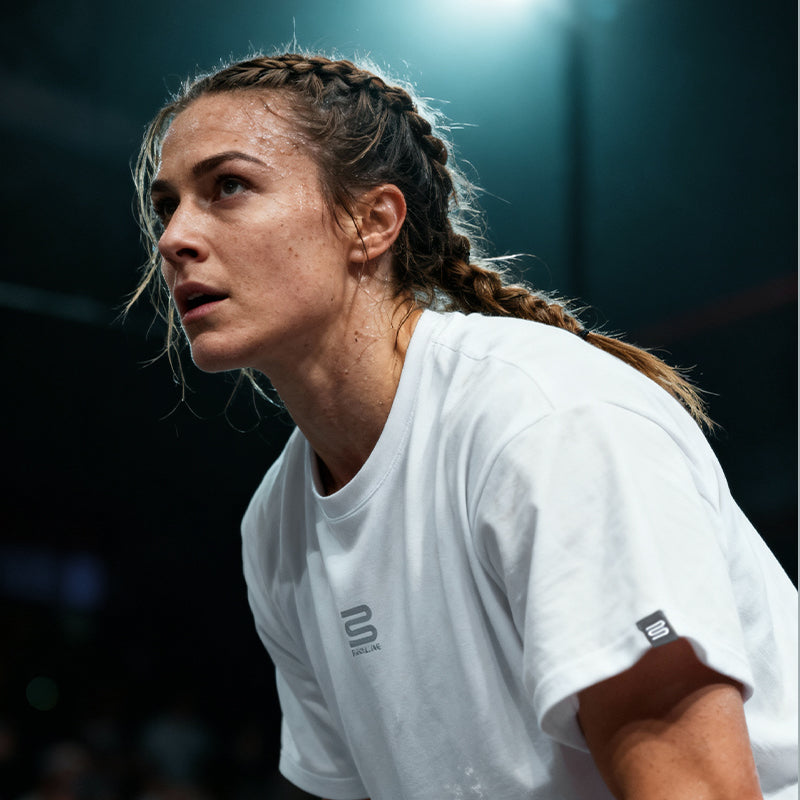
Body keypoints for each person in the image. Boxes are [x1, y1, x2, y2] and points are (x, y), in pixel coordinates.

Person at [128, 52, 797, 800]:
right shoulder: (274, 526)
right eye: (166, 206)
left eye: (228, 186)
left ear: (371, 222)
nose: (174, 238)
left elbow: (699, 789)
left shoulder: (547, 418)